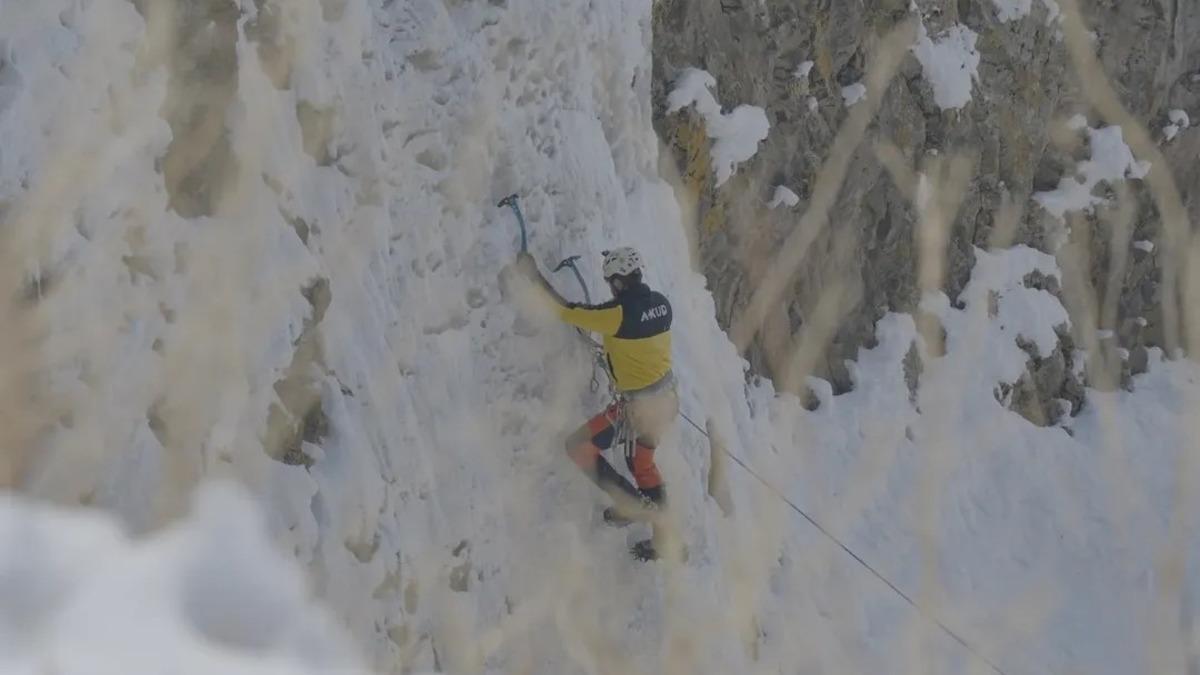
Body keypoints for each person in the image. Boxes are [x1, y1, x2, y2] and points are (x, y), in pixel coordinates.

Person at [507, 246, 679, 561]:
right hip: (666, 401)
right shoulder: (663, 305)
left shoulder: (615, 315)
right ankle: (664, 539)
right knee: (643, 464)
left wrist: (534, 277)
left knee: (579, 447)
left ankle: (632, 505)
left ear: (618, 281)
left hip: (638, 410)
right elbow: (638, 341)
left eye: (611, 281)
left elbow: (566, 311)